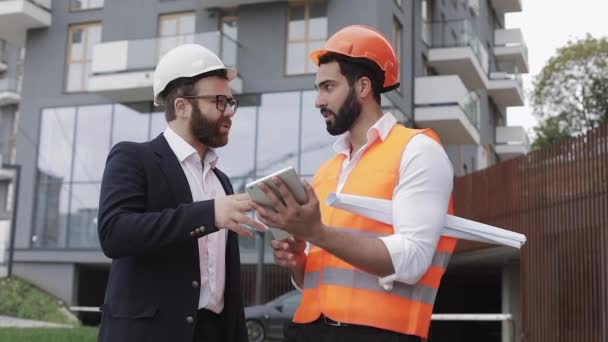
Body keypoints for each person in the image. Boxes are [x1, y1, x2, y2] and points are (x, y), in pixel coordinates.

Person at [251, 25, 456, 342]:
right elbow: (314, 282)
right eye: (318, 88)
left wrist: (316, 232)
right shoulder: (326, 172)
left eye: (328, 87)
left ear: (363, 87)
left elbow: (413, 260)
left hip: (381, 334)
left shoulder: (418, 151)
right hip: (309, 330)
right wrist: (298, 261)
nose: (319, 101)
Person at [97, 44, 266, 342]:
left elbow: (227, 287)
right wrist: (209, 213)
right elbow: (115, 233)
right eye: (218, 101)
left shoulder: (221, 181)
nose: (228, 112)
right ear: (182, 106)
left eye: (230, 102)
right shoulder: (134, 158)